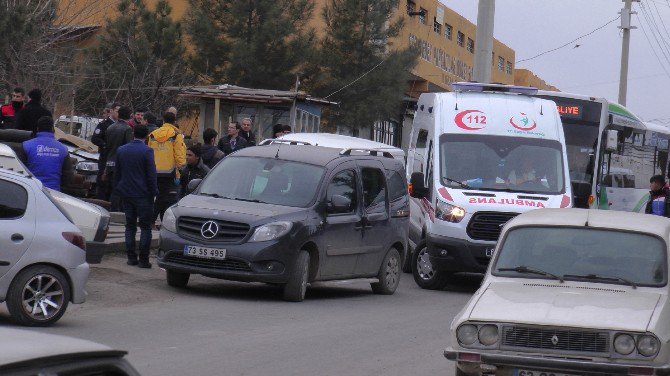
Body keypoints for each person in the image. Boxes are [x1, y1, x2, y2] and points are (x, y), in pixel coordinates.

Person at [114, 125, 158, 268]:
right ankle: (144, 259)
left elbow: (117, 173)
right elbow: (151, 174)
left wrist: (118, 189)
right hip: (144, 194)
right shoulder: (147, 151)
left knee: (130, 225)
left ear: (133, 134)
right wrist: (154, 191)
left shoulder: (122, 150)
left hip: (127, 192)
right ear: (147, 135)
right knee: (145, 227)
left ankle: (131, 257)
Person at [148, 110, 186, 222]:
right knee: (166, 198)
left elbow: (149, 152)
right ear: (174, 121)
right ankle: (157, 220)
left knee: (157, 196)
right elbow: (179, 154)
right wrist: (181, 168)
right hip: (170, 173)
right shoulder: (176, 135)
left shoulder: (153, 134)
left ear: (163, 120)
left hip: (154, 171)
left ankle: (152, 219)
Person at [22, 116, 69, 191]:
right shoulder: (63, 149)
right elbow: (68, 177)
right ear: (52, 129)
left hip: (32, 191)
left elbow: (20, 171)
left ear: (37, 129)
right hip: (54, 193)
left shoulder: (26, 146)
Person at [105, 106, 134, 211]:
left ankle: (110, 208)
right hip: (121, 164)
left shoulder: (110, 127)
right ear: (129, 116)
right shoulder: (127, 129)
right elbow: (128, 148)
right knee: (119, 190)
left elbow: (108, 147)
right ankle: (115, 211)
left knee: (110, 188)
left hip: (109, 161)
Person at [91, 102, 119, 200]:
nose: (118, 113)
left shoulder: (121, 125)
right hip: (105, 157)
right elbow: (95, 138)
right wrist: (105, 145)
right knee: (103, 182)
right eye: (117, 111)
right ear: (111, 111)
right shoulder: (103, 125)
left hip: (116, 159)